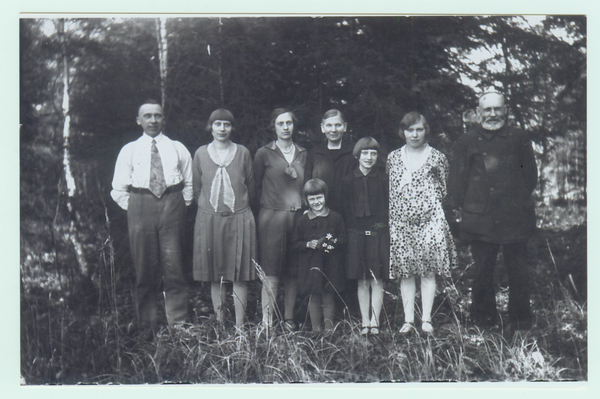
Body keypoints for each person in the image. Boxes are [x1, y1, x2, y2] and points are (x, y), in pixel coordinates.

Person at [448, 92, 537, 330]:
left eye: (497, 109)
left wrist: (515, 201)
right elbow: (457, 182)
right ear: (478, 113)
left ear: (506, 110)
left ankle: (521, 321)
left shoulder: (519, 138)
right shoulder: (466, 141)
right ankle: (484, 320)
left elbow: (530, 176)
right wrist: (473, 205)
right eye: (487, 110)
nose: (493, 114)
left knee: (517, 270)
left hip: (514, 216)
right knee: (483, 270)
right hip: (481, 218)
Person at [111, 99, 192, 335]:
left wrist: (179, 204)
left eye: (157, 115)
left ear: (164, 119)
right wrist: (137, 207)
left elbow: (189, 183)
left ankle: (178, 325)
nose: (153, 120)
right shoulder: (129, 150)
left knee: (175, 267)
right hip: (140, 207)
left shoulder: (178, 148)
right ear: (139, 121)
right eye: (147, 116)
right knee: (144, 269)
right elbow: (117, 188)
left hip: (172, 205)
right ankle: (147, 326)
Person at [387, 112, 457, 335]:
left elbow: (444, 190)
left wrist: (425, 207)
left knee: (428, 272)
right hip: (401, 223)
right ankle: (408, 320)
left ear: (426, 130)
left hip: (429, 222)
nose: (414, 134)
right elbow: (390, 188)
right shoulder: (393, 158)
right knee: (406, 272)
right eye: (410, 130)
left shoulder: (437, 157)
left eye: (419, 129)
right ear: (403, 132)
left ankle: (426, 319)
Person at [192, 109, 257, 330]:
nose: (222, 129)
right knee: (215, 275)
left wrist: (239, 208)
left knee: (239, 274)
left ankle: (239, 326)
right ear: (210, 127)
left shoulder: (243, 153)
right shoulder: (201, 153)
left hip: (239, 217)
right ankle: (219, 324)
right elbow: (197, 188)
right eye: (217, 124)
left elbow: (250, 185)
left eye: (226, 124)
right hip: (210, 220)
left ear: (232, 128)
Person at [254, 108, 308, 330]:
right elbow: (255, 187)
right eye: (280, 123)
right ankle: (267, 321)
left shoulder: (304, 154)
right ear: (273, 127)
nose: (285, 127)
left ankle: (288, 318)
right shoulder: (264, 153)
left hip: (297, 217)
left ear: (294, 126)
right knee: (271, 270)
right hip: (272, 218)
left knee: (293, 271)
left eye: (289, 123)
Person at [341, 138, 389, 335]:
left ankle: (376, 322)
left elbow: (387, 209)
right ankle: (364, 321)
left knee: (377, 279)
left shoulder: (384, 179)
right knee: (362, 279)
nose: (369, 158)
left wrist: (381, 229)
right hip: (356, 234)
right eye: (365, 153)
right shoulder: (348, 180)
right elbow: (345, 209)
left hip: (378, 234)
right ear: (357, 155)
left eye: (373, 153)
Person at [292, 179, 347, 332]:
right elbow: (295, 243)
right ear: (306, 200)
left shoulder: (335, 218)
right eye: (312, 199)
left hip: (330, 264)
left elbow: (344, 238)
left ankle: (329, 331)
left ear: (325, 196)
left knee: (328, 296)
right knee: (313, 296)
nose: (316, 202)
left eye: (319, 197)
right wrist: (307, 244)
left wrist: (334, 241)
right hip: (310, 265)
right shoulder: (302, 221)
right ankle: (316, 330)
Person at [304, 109, 357, 212]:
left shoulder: (354, 152)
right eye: (329, 125)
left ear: (345, 127)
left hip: (349, 211)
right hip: (320, 210)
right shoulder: (314, 153)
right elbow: (307, 183)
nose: (333, 130)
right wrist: (307, 207)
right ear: (322, 128)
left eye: (338, 125)